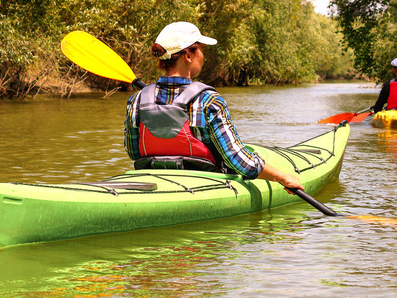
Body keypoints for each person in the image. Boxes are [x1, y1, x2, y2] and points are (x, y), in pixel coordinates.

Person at [124, 21, 303, 192]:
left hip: (154, 178)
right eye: (201, 50)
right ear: (188, 56)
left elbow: (134, 152)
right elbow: (240, 163)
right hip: (205, 184)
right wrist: (282, 178)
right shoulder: (208, 100)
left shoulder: (137, 100)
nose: (203, 56)